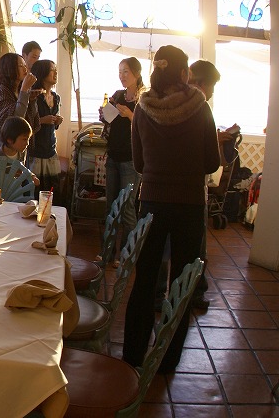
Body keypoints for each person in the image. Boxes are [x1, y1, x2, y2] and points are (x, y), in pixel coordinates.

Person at [122, 45, 220, 374]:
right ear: (182, 73)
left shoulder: (143, 108)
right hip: (189, 204)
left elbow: (138, 163)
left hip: (151, 202)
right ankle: (168, 358)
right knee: (182, 281)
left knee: (145, 279)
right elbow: (212, 161)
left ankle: (132, 355)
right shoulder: (200, 107)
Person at [155, 59, 239, 310]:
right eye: (212, 86)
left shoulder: (159, 104)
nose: (211, 92)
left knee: (161, 248)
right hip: (190, 191)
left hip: (157, 190)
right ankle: (187, 297)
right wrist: (214, 140)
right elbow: (211, 162)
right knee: (192, 249)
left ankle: (157, 296)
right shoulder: (200, 108)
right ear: (200, 83)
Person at [99, 57, 144, 267]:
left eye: (125, 71)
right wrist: (104, 113)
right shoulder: (118, 95)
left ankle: (125, 256)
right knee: (111, 207)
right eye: (119, 71)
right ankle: (107, 253)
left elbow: (147, 127)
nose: (122, 76)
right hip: (113, 156)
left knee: (127, 208)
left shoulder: (144, 99)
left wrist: (131, 115)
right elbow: (108, 120)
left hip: (131, 160)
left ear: (137, 73)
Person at [0, 53, 40, 157]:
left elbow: (32, 118)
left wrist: (31, 100)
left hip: (19, 146)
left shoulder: (18, 90)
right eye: (21, 66)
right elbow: (15, 120)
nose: (25, 69)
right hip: (4, 147)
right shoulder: (1, 90)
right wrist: (24, 90)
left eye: (25, 65)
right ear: (9, 68)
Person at [26, 59, 62, 199]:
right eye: (52, 70)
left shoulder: (56, 97)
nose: (56, 73)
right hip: (36, 149)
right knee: (35, 191)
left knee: (53, 190)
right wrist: (42, 120)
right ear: (42, 73)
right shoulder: (33, 96)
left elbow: (54, 126)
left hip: (50, 148)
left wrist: (57, 121)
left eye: (56, 70)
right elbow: (26, 123)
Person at [0, 116, 40, 184]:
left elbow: (22, 168)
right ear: (10, 140)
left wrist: (32, 176)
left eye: (28, 139)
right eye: (24, 139)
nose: (27, 143)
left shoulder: (22, 152)